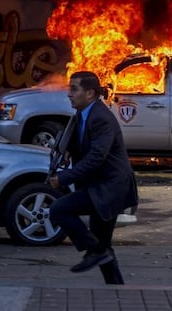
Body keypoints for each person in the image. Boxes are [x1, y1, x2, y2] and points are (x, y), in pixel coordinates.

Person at [48, 71, 138, 284]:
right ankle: (116, 288)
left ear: (89, 93)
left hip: (109, 188)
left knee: (59, 209)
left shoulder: (100, 117)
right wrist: (68, 150)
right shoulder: (82, 114)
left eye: (74, 89)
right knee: (104, 248)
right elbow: (80, 143)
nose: (69, 94)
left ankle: (96, 250)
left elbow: (97, 156)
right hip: (98, 186)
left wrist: (65, 177)